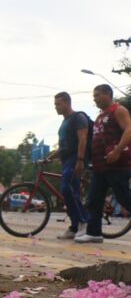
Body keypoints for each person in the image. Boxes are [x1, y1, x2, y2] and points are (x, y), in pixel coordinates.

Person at [76, 85, 131, 243]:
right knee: (94, 199)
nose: (95, 98)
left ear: (108, 94)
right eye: (94, 95)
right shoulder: (100, 116)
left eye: (98, 95)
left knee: (123, 197)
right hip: (100, 166)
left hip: (117, 164)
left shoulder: (118, 110)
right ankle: (94, 233)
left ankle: (93, 232)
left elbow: (129, 130)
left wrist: (117, 150)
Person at [46, 91, 90, 239]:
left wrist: (80, 160)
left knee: (67, 188)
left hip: (75, 159)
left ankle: (85, 222)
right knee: (68, 192)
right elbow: (62, 147)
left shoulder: (78, 118)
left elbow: (83, 139)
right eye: (54, 105)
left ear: (67, 103)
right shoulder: (64, 123)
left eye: (58, 104)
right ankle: (74, 226)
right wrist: (49, 159)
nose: (56, 107)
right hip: (66, 161)